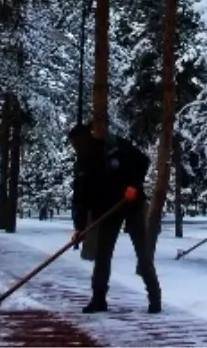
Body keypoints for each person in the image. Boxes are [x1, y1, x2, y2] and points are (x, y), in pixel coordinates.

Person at [69, 122, 161, 315]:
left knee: (142, 251)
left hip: (131, 204)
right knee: (103, 254)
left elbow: (142, 161)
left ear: (88, 138)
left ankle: (154, 297)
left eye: (78, 143)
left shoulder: (114, 146)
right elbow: (80, 198)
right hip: (107, 210)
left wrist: (133, 186)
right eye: (73, 145)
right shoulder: (82, 164)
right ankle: (98, 299)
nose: (76, 148)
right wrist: (79, 227)